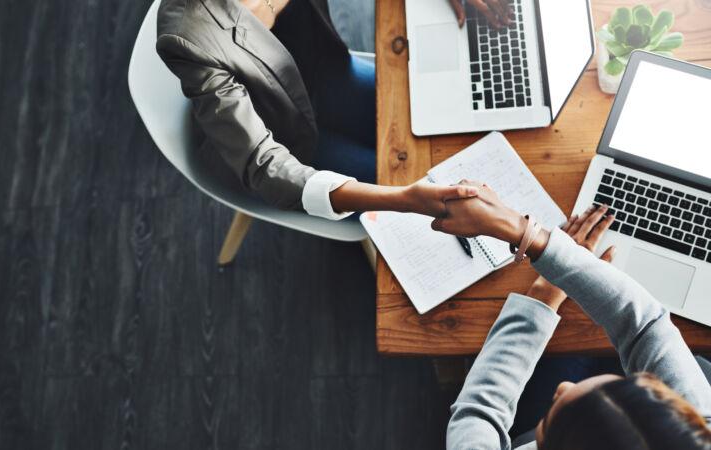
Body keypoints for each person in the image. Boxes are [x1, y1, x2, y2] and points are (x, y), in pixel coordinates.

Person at [155, 0, 510, 220]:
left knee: (456, 118)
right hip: (287, 141)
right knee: (422, 193)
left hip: (332, 75)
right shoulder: (186, 36)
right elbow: (263, 165)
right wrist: (402, 200)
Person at [431, 180, 711, 449]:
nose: (564, 388)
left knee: (571, 351)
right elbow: (645, 327)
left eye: (553, 418)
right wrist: (528, 234)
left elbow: (478, 414)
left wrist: (544, 294)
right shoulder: (695, 433)